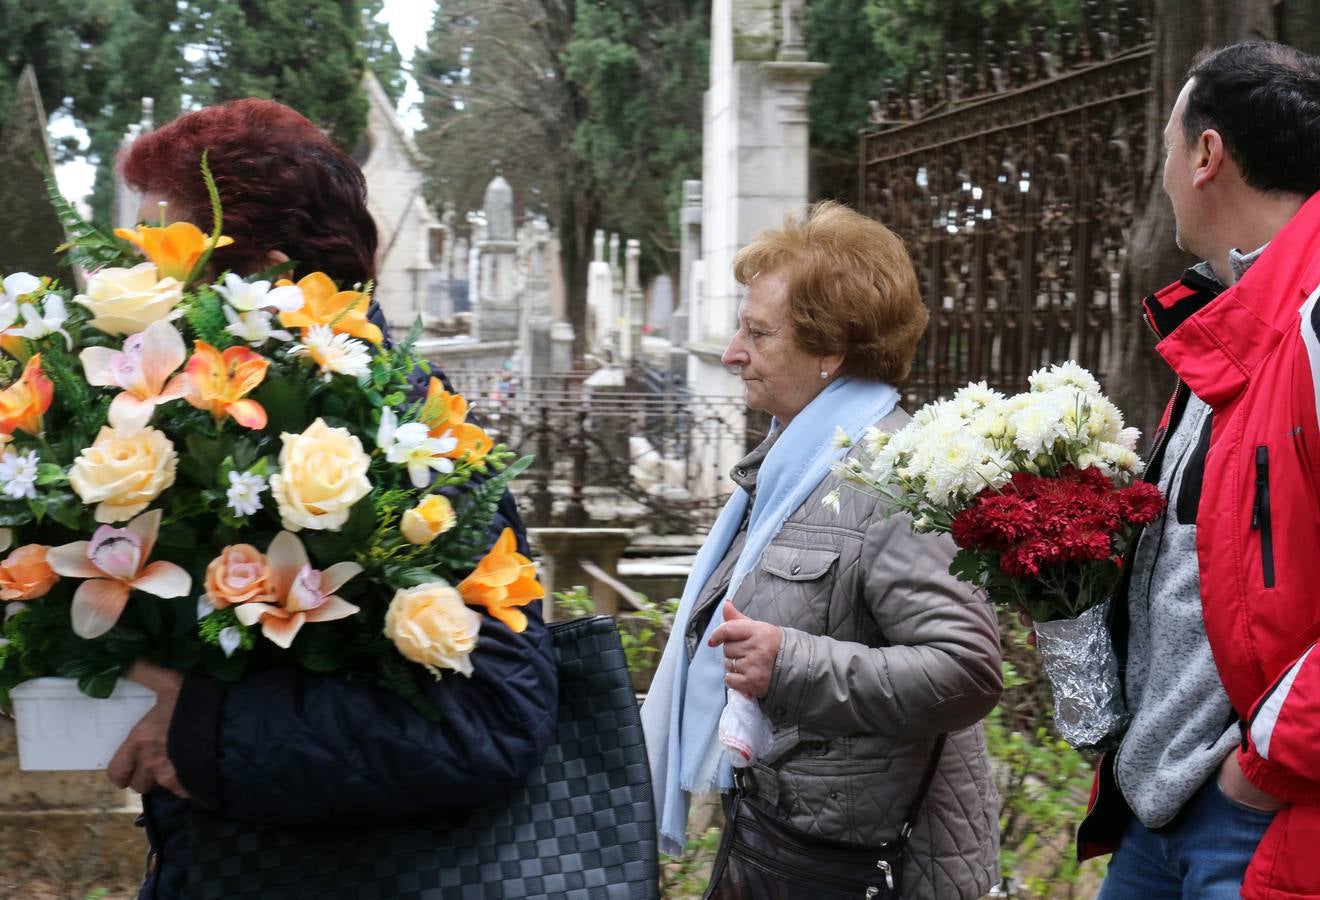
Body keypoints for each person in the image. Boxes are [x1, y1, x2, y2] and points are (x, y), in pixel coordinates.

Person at [108, 99, 559, 897]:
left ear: (271, 280)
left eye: (162, 268)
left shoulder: (409, 429)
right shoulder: (203, 420)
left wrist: (203, 733)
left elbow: (490, 716)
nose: (136, 295)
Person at [641, 201, 1003, 899]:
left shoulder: (891, 475)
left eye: (757, 333)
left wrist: (791, 663)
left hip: (841, 867)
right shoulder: (797, 462)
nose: (731, 353)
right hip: (777, 839)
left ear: (830, 352)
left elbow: (967, 669)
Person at [1074, 43, 1320, 898]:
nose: (1164, 173)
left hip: (1252, 813)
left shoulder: (1314, 323)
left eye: (1170, 148)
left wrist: (1262, 770)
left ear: (1208, 155)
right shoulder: (1221, 320)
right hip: (1159, 810)